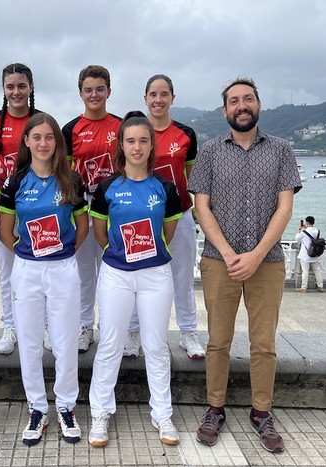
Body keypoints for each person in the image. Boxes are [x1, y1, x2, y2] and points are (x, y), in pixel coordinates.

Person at [189, 76, 301, 454]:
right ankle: (215, 408)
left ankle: (261, 412)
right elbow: (200, 207)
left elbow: (285, 208)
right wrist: (227, 252)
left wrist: (255, 255)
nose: (241, 106)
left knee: (263, 342)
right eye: (234, 101)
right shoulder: (209, 152)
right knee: (218, 340)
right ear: (224, 110)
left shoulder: (282, 150)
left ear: (258, 105)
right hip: (218, 261)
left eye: (248, 99)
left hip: (267, 262)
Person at [87, 111, 183, 447]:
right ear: (121, 145)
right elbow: (101, 234)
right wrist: (123, 256)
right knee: (111, 344)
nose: (137, 146)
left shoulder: (166, 189)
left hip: (156, 275)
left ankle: (163, 414)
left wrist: (145, 255)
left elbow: (167, 232)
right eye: (131, 140)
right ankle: (100, 413)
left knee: (156, 346)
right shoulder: (106, 188)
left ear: (151, 144)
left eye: (143, 140)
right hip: (116, 275)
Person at [0, 113, 88, 446]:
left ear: (57, 142)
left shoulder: (72, 180)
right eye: (36, 137)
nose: (43, 143)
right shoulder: (15, 181)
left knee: (64, 342)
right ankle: (37, 409)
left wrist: (60, 253)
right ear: (27, 141)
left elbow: (82, 229)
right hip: (27, 270)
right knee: (31, 343)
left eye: (49, 137)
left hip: (63, 269)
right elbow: (6, 232)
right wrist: (31, 254)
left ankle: (66, 407)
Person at [124, 74, 205, 359]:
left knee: (182, 276)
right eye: (153, 95)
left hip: (179, 214)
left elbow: (191, 177)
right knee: (135, 274)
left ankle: (188, 332)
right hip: (141, 218)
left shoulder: (186, 135)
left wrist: (193, 209)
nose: (158, 100)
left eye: (164, 94)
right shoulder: (136, 132)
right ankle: (133, 332)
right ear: (145, 98)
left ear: (172, 97)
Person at [0, 63, 40, 355]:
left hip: (38, 208)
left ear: (30, 87)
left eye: (21, 85)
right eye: (10, 86)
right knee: (8, 272)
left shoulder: (41, 120)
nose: (16, 92)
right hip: (6, 207)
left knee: (42, 268)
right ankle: (10, 326)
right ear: (3, 89)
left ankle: (44, 326)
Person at [62, 65, 122, 353]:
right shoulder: (70, 129)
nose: (94, 94)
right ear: (80, 93)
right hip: (84, 205)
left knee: (116, 269)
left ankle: (118, 328)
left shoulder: (121, 126)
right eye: (89, 89)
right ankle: (85, 325)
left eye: (100, 88)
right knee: (85, 271)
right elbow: (63, 172)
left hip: (116, 207)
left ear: (109, 91)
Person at [295, 216, 325, 292]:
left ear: (307, 222)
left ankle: (304, 287)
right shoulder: (317, 231)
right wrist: (306, 228)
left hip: (305, 254)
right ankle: (320, 286)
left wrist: (299, 229)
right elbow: (312, 235)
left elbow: (297, 238)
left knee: (305, 271)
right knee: (317, 270)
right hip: (314, 253)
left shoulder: (304, 232)